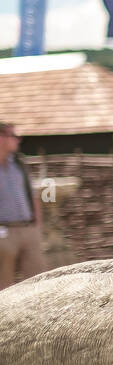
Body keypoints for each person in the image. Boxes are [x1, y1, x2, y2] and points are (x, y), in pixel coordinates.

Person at [0, 122, 46, 290]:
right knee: (3, 286)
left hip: (28, 230)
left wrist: (37, 226)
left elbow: (33, 196)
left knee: (39, 282)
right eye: (13, 136)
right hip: (3, 232)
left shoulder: (19, 163)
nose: (18, 140)